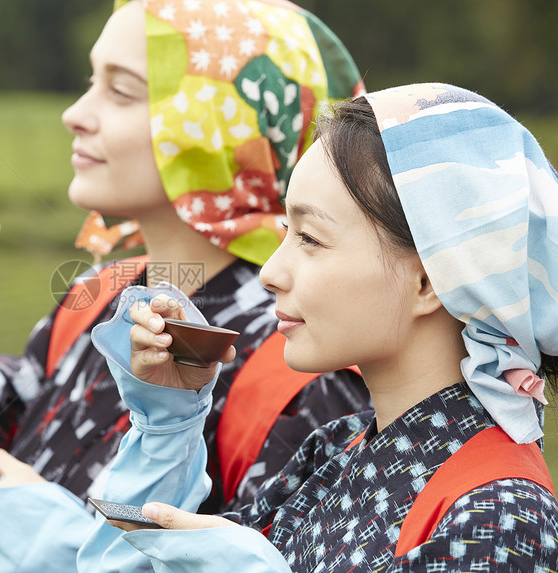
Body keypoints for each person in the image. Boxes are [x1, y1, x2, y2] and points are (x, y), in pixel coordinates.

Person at [0, 1, 369, 571]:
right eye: (90, 82)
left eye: (121, 91)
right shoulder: (94, 296)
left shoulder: (299, 361)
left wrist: (62, 547)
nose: (75, 113)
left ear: (220, 126)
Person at [79, 82, 558, 572]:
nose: (270, 272)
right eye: (286, 234)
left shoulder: (501, 515)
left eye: (309, 238)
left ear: (429, 280)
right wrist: (167, 426)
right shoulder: (332, 451)